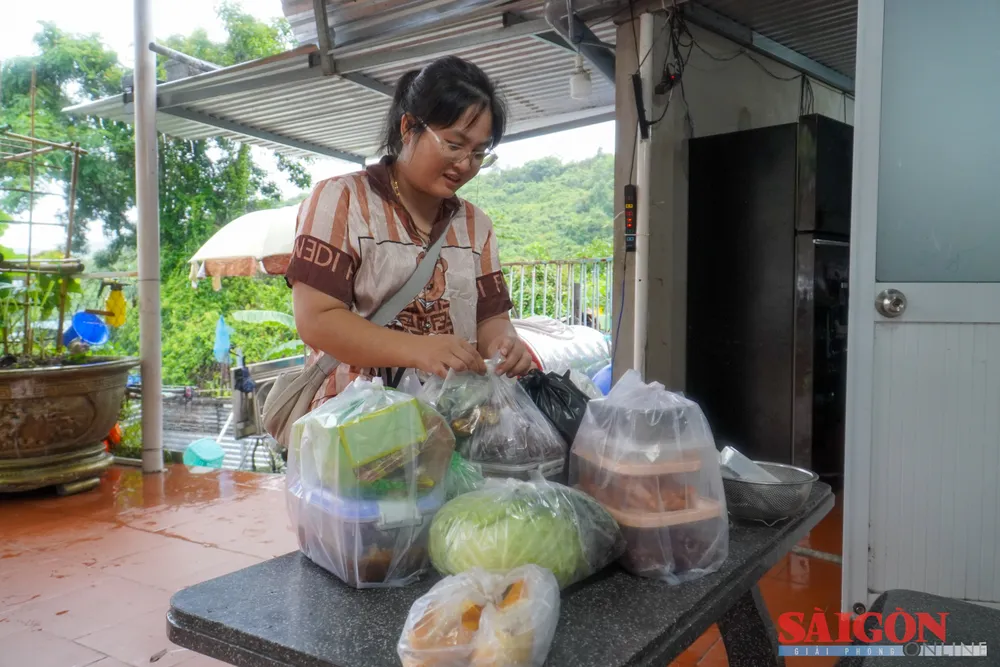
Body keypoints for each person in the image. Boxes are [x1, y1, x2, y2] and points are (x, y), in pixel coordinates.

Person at [285, 55, 534, 408]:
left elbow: (491, 319)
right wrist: (419, 350)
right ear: (408, 127)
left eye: (479, 153)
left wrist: (504, 345)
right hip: (356, 426)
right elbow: (317, 320)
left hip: (452, 424)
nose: (465, 165)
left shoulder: (476, 225)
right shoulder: (341, 200)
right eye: (454, 144)